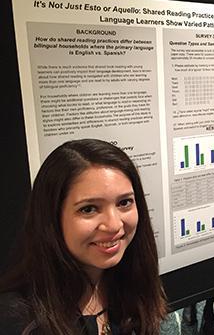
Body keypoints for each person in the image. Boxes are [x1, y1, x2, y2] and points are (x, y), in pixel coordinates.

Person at [0, 139, 168, 334]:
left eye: (124, 203)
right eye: (89, 209)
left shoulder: (129, 282)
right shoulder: (16, 318)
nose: (114, 224)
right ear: (51, 217)